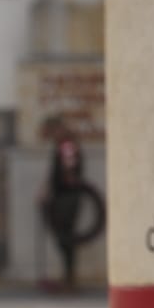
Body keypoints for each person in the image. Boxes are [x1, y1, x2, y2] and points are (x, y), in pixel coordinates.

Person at [37, 123, 105, 292]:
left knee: (66, 239)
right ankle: (68, 276)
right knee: (64, 240)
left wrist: (64, 183)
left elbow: (68, 170)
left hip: (66, 199)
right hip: (64, 197)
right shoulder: (65, 146)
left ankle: (69, 278)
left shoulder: (67, 146)